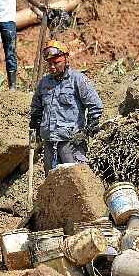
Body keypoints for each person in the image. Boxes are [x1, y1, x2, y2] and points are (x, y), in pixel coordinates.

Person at [29, 40, 103, 175]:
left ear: (66, 60)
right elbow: (36, 108)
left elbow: (95, 105)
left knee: (75, 180)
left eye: (56, 63)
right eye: (49, 64)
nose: (52, 67)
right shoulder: (44, 83)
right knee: (51, 184)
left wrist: (89, 129)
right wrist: (35, 124)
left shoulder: (78, 80)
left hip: (71, 143)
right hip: (50, 143)